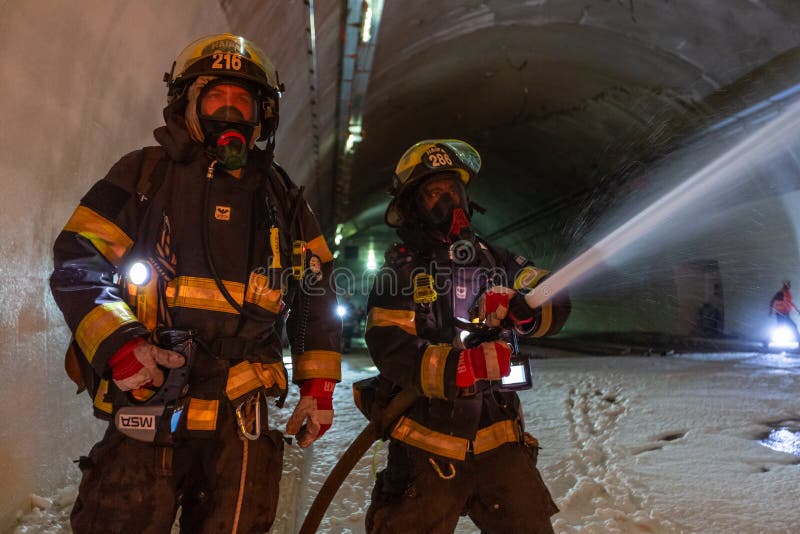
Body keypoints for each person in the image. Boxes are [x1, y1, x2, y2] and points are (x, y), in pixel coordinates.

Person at [49, 34, 341, 533]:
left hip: (240, 413)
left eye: (242, 101)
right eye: (215, 97)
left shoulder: (282, 198)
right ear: (186, 104)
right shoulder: (143, 175)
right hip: (151, 394)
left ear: (261, 116)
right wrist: (121, 345)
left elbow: (315, 292)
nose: (229, 113)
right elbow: (79, 259)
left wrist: (318, 387)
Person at [361, 139, 571, 533]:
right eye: (434, 193)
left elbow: (552, 293)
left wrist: (526, 306)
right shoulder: (399, 274)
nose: (448, 202)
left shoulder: (496, 258)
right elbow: (390, 348)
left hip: (499, 441)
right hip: (428, 444)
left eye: (453, 190)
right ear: (411, 207)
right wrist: (459, 368)